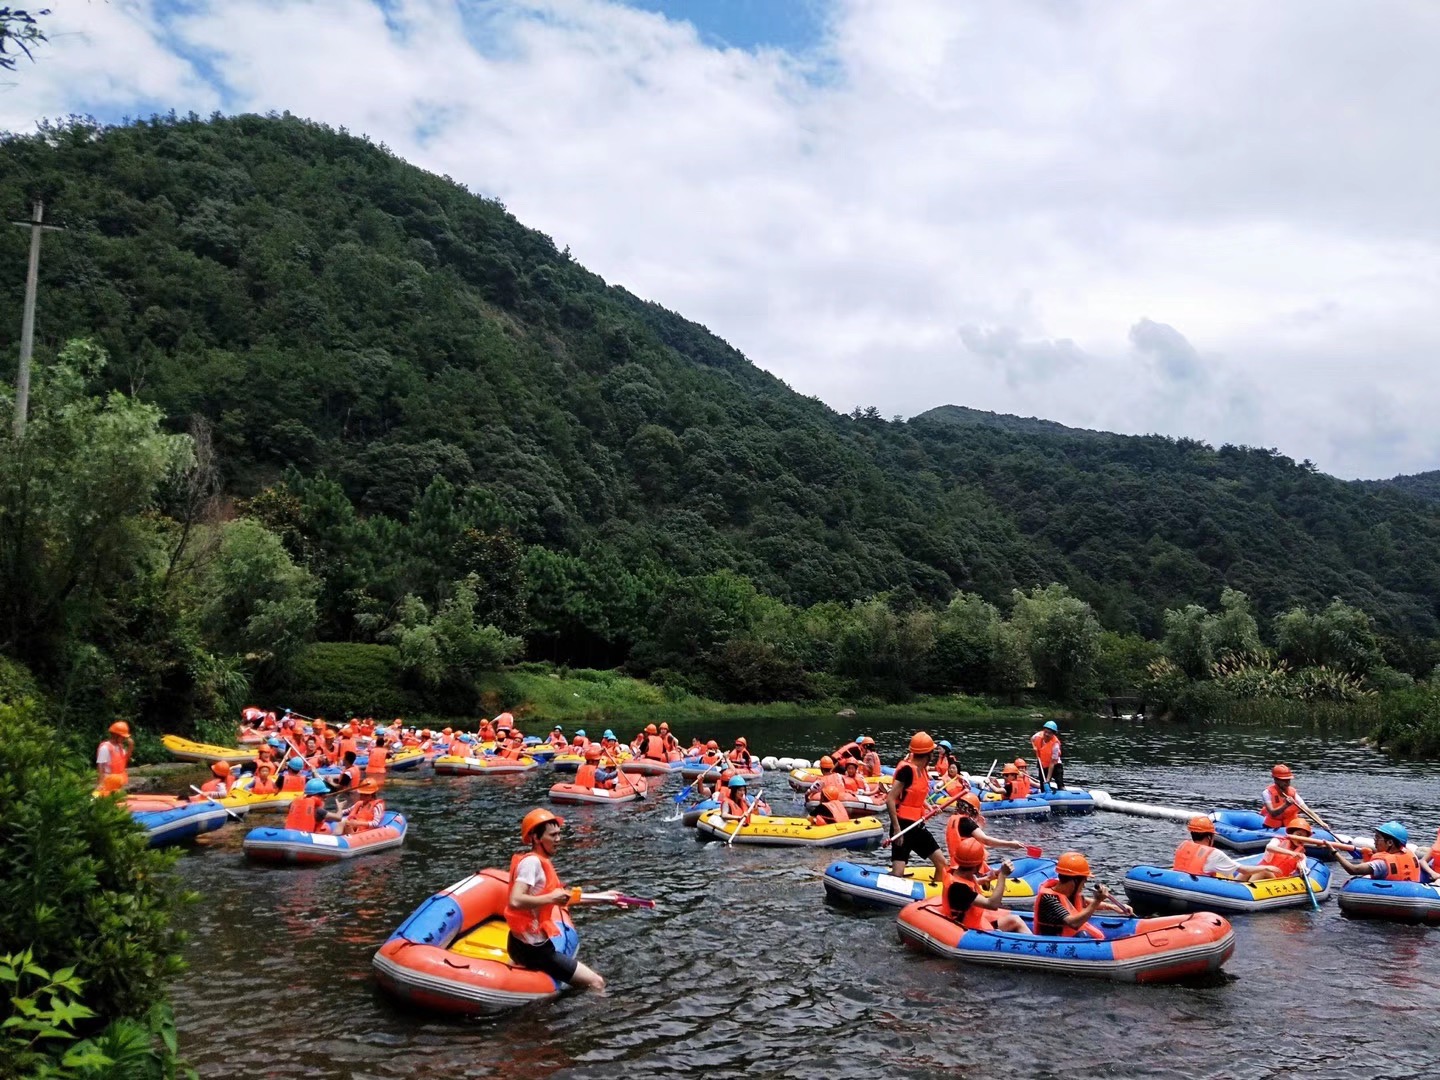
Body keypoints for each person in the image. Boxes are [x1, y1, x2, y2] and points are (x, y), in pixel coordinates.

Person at [505, 809, 604, 991]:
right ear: (536, 838)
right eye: (553, 835)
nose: (558, 839)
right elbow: (515, 900)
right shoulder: (532, 863)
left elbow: (564, 898)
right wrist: (551, 897)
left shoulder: (540, 862)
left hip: (518, 944)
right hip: (535, 951)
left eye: (559, 834)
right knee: (597, 982)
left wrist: (607, 898)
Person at [885, 731, 947, 879]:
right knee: (898, 873)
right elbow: (890, 799)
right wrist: (896, 829)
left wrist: (929, 807)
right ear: (928, 754)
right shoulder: (907, 771)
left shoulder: (923, 770)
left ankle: (937, 896)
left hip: (917, 825)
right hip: (902, 826)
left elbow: (915, 794)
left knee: (942, 864)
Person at [944, 839, 1030, 933]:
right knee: (1017, 922)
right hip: (970, 931)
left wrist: (990, 877)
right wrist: (1003, 875)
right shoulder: (959, 889)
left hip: (976, 921)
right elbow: (992, 904)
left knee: (1015, 919)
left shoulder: (956, 873)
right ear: (977, 865)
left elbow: (971, 884)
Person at [1033, 852, 1126, 939]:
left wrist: (1113, 907)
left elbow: (1085, 901)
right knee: (1083, 935)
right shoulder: (1049, 899)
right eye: (1083, 882)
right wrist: (1097, 901)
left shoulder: (1068, 894)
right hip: (1055, 941)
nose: (1084, 886)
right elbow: (1073, 923)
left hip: (1067, 938)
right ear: (1074, 881)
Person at [1174, 816, 1280, 881]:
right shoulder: (1214, 853)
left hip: (1186, 882)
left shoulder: (1182, 846)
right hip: (1208, 888)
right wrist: (1267, 868)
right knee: (1263, 872)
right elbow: (1245, 870)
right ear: (1209, 836)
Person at [1331, 821, 1421, 882]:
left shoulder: (1382, 863)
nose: (1374, 841)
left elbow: (1353, 869)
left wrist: (1334, 852)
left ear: (1390, 842)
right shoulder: (1411, 855)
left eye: (1378, 838)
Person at [1260, 764, 1320, 829]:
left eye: (1288, 780)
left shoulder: (1293, 793)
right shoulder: (1267, 793)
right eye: (1284, 780)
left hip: (1290, 826)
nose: (1287, 783)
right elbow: (1273, 813)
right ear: (1276, 779)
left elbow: (1307, 810)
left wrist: (1321, 823)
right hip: (1272, 827)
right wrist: (1286, 805)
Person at [96, 721, 134, 791]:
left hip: (117, 781)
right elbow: (100, 766)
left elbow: (124, 761)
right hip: (107, 780)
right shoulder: (105, 747)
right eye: (122, 736)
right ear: (116, 735)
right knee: (101, 798)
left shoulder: (120, 747)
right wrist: (100, 783)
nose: (124, 739)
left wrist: (130, 747)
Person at [1030, 721, 1063, 789]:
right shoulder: (1038, 735)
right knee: (1042, 784)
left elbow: (1052, 763)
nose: (1046, 734)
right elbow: (1032, 739)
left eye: (1049, 733)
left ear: (1053, 734)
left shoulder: (1055, 745)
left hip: (1055, 764)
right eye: (1045, 731)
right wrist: (1034, 747)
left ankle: (1061, 790)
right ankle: (1044, 791)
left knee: (1059, 782)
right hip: (1042, 762)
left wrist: (1048, 779)